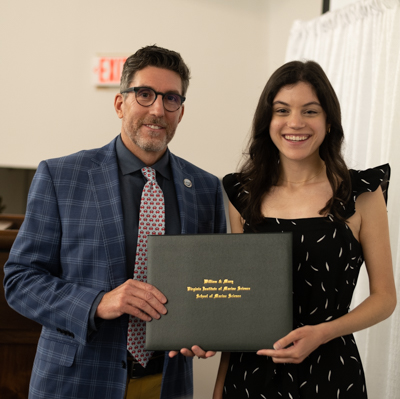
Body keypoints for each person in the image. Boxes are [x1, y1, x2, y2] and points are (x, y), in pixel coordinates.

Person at [4, 45, 226, 399]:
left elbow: (213, 285)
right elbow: (20, 281)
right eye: (144, 94)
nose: (157, 109)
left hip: (166, 383)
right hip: (76, 382)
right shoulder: (61, 176)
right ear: (120, 103)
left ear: (181, 112)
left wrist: (210, 327)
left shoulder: (205, 188)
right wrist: (97, 302)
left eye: (170, 98)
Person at [213, 60, 396, 399]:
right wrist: (219, 388)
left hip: (332, 371)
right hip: (252, 375)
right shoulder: (239, 195)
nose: (295, 123)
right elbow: (236, 306)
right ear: (268, 120)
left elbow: (385, 298)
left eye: (310, 111)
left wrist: (323, 333)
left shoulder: (363, 193)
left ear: (329, 121)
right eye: (282, 110)